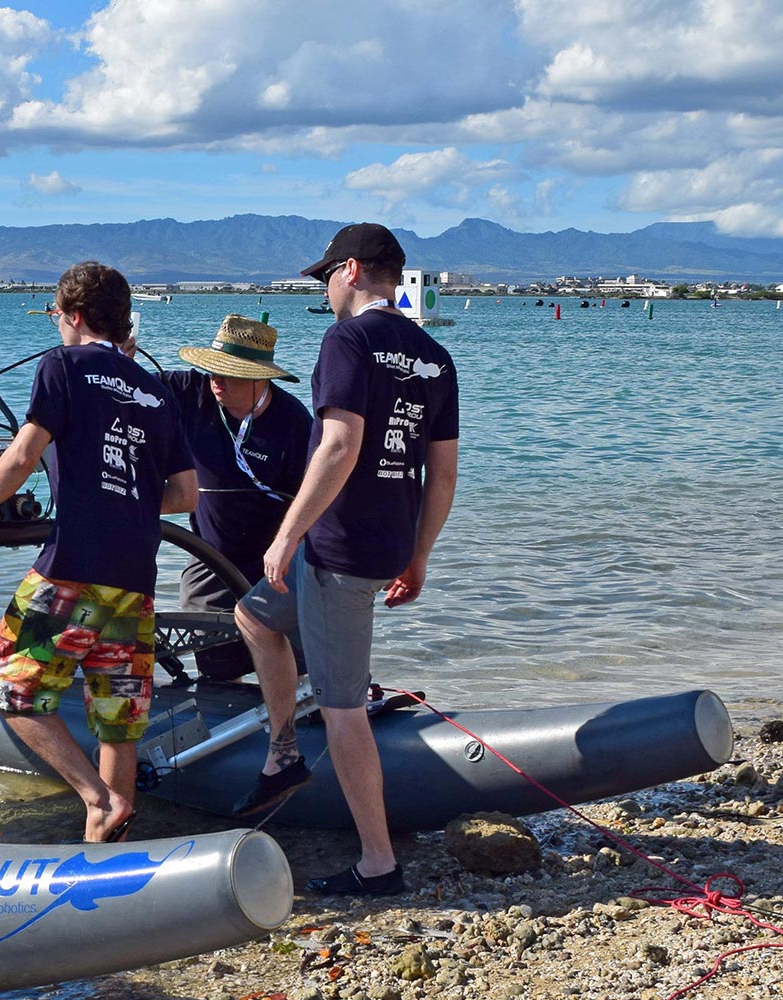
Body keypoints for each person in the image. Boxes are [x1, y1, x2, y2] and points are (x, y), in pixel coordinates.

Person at [232, 223, 459, 896]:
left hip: (337, 555)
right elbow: (442, 474)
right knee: (255, 616)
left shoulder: (347, 340)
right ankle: (283, 753)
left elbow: (339, 445)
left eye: (327, 275)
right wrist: (418, 556)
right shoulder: (434, 356)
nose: (325, 289)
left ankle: (378, 863)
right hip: (385, 545)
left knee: (344, 708)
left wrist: (286, 535)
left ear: (352, 270)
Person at [0, 261, 196, 843]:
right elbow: (186, 495)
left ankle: (98, 799)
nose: (57, 324)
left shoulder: (63, 364)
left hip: (73, 569)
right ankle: (107, 846)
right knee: (118, 717)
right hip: (135, 575)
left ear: (76, 316)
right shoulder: (156, 391)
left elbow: (22, 455)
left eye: (56, 315)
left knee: (10, 688)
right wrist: (127, 504)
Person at [162, 315, 310, 681]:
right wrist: (118, 358)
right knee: (218, 674)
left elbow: (315, 504)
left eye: (229, 373)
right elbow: (131, 392)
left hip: (279, 560)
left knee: (298, 672)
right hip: (211, 558)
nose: (216, 379)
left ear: (260, 377)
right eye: (213, 369)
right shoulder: (190, 391)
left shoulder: (294, 424)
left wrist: (290, 550)